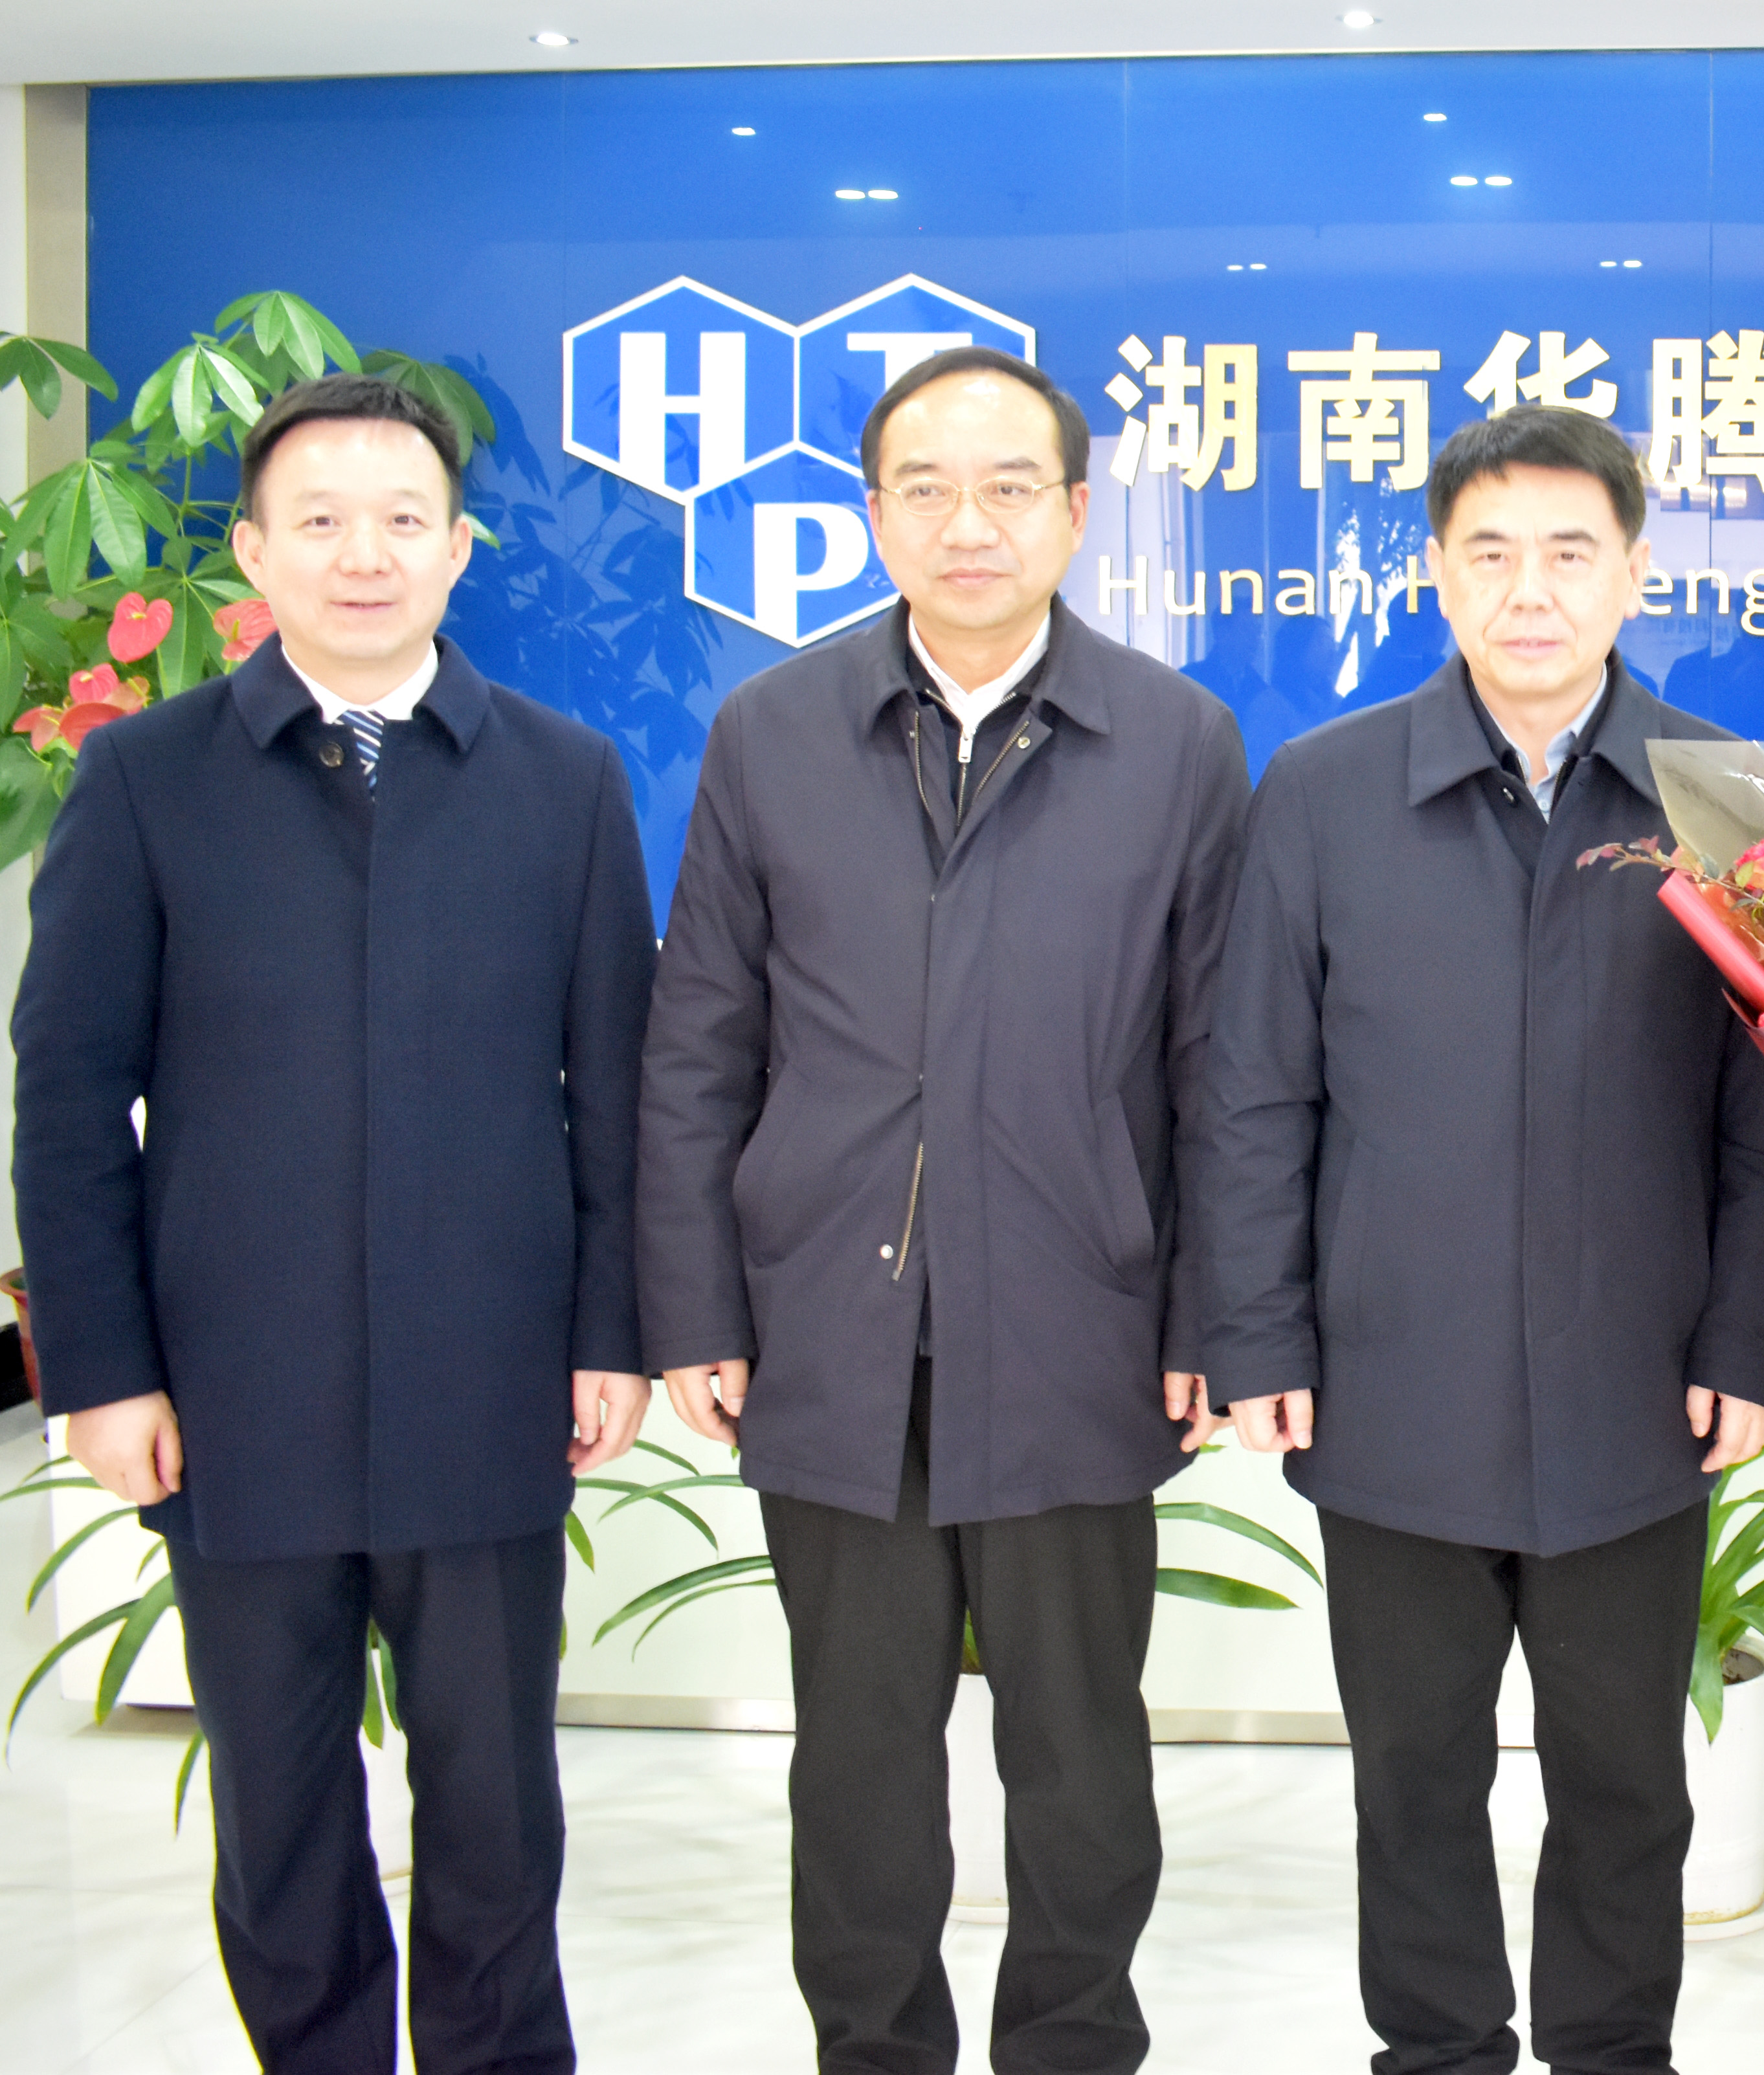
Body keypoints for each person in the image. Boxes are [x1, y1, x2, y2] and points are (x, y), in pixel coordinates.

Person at [12, 372, 658, 2072]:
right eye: (318, 521)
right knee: (280, 1815)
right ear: (253, 553)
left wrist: (610, 1332)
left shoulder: (565, 780)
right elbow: (67, 1098)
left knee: (497, 1809)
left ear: (458, 549)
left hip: (490, 1386)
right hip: (240, 1395)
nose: (362, 555)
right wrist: (102, 1371)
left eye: (399, 521)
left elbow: (619, 1085)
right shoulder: (145, 779)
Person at [639, 346, 1251, 2074]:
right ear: (871, 512)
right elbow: (699, 1040)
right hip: (833, 1327)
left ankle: (1073, 2042)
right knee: (856, 1752)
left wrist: (1212, 1317)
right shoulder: (772, 730)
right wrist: (695, 1306)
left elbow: (1222, 1065)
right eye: (926, 487)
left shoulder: (1177, 742)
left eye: (1007, 488)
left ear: (1075, 512)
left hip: (1078, 1322)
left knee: (1079, 1750)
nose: (966, 523)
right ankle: (873, 2046)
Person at [1203, 403, 1764, 2075]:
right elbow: (1253, 1087)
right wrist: (1257, 1332)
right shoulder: (1323, 792)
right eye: (1489, 553)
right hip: (1386, 1382)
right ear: (1436, 572)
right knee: (1412, 1775)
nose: (1528, 589)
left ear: (1633, 571)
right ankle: (1435, 2051)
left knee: (1624, 1776)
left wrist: (1750, 1342)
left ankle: (1612, 2051)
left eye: (1568, 551)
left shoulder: (1726, 795)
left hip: (1637, 1385)